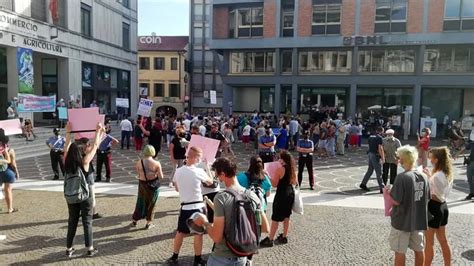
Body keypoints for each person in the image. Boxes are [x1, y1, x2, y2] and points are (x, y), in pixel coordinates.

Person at [192, 157, 269, 266]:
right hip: (242, 256)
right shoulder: (252, 195)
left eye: (217, 176)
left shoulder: (221, 197)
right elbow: (266, 228)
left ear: (223, 174)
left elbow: (217, 237)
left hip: (221, 257)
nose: (218, 179)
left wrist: (204, 222)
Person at [63, 122, 104, 258]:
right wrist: (98, 131)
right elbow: (96, 146)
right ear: (82, 150)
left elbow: (67, 148)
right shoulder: (85, 162)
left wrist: (68, 133)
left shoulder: (66, 162)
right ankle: (90, 248)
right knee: (87, 222)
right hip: (85, 196)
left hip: (71, 195)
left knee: (72, 221)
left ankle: (69, 249)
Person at [167, 147, 214, 265]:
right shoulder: (199, 171)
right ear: (196, 157)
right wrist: (207, 167)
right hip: (198, 206)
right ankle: (197, 259)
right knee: (198, 234)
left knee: (180, 232)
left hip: (184, 206)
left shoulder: (178, 171)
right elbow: (211, 183)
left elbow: (177, 189)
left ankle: (174, 256)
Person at [385, 145, 430, 266]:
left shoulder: (401, 177)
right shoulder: (425, 176)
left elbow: (396, 201)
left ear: (403, 160)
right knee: (419, 249)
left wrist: (388, 192)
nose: (398, 160)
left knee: (400, 251)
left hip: (402, 221)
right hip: (419, 220)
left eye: (399, 158)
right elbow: (427, 197)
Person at [422, 147, 453, 266]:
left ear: (436, 160)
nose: (429, 159)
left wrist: (429, 178)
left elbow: (433, 193)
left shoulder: (436, 176)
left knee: (429, 243)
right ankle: (448, 264)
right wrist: (430, 177)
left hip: (434, 207)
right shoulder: (446, 173)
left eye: (431, 157)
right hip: (443, 206)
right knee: (443, 240)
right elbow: (440, 189)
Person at [260, 151, 297, 247]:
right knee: (287, 216)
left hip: (282, 194)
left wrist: (268, 175)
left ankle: (270, 239)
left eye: (279, 158)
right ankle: (284, 236)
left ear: (283, 159)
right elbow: (294, 181)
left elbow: (274, 184)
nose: (278, 160)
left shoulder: (280, 169)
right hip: (290, 193)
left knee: (275, 217)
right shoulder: (292, 168)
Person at [130, 145, 164, 229]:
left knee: (140, 202)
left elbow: (138, 173)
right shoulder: (156, 163)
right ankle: (149, 222)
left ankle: (135, 220)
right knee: (152, 203)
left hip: (142, 184)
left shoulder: (139, 162)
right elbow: (161, 177)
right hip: (153, 185)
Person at [360, 127, 385, 193]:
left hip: (370, 154)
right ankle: (382, 187)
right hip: (375, 155)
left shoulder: (371, 136)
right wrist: (383, 158)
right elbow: (380, 148)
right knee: (379, 172)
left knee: (370, 170)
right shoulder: (379, 138)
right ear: (381, 131)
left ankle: (363, 183)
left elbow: (368, 146)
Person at [0, 129, 18, 213]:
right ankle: (10, 208)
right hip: (8, 171)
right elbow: (13, 163)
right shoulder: (9, 149)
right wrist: (17, 172)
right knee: (8, 190)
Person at [465, 133, 474, 200]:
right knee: (470, 178)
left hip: (471, 162)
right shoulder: (472, 143)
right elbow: (466, 147)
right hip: (470, 162)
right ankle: (472, 193)